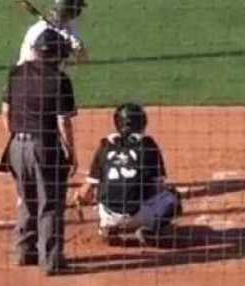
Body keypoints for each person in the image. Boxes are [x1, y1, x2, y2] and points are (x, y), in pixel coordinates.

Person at [0, 28, 79, 274]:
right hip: (44, 146)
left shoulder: (16, 73)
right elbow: (63, 121)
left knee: (28, 198)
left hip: (15, 146)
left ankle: (24, 251)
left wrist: (16, 138)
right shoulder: (59, 79)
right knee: (51, 203)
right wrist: (72, 152)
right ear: (55, 54)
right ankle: (52, 261)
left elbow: (5, 111)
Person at [74, 103, 182, 246]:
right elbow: (157, 185)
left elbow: (85, 191)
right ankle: (152, 229)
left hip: (109, 214)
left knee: (104, 195)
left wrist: (80, 198)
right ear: (142, 122)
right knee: (173, 197)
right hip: (139, 215)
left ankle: (106, 227)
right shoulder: (148, 144)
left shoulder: (105, 145)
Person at [17, 0, 88, 66]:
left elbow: (83, 60)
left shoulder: (70, 24)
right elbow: (44, 66)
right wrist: (66, 45)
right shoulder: (42, 32)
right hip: (34, 74)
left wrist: (79, 48)